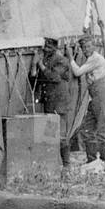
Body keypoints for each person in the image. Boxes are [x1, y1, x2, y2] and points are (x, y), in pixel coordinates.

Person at [70, 36, 105, 163]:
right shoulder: (91, 59)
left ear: (94, 46)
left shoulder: (96, 59)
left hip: (101, 93)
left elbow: (77, 72)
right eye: (83, 48)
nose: (86, 50)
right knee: (87, 129)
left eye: (88, 46)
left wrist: (70, 58)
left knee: (103, 129)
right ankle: (91, 160)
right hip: (96, 95)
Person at [29, 37, 72, 168]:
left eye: (49, 48)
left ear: (55, 48)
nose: (46, 50)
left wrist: (40, 64)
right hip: (50, 103)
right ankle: (54, 163)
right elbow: (36, 80)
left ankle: (66, 165)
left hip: (60, 103)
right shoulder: (47, 61)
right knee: (50, 135)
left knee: (61, 136)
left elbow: (54, 77)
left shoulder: (62, 60)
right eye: (45, 48)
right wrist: (33, 65)